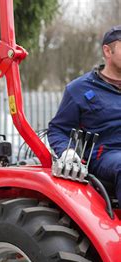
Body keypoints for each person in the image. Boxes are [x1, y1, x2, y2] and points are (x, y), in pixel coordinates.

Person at [47, 25, 121, 203]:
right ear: (107, 51)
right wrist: (67, 151)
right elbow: (57, 129)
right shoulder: (80, 89)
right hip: (106, 155)